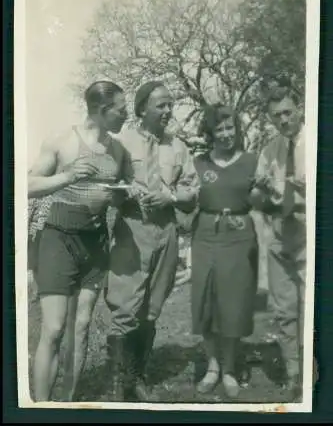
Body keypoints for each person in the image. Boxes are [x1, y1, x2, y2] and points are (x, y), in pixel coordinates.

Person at [28, 80, 128, 402]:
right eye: (121, 110)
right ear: (102, 110)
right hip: (58, 238)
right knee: (55, 328)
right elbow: (26, 184)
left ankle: (67, 403)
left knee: (81, 327)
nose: (126, 116)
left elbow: (122, 195)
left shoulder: (118, 150)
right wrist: (67, 176)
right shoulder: (62, 141)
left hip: (95, 242)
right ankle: (40, 407)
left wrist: (127, 195)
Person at [104, 80, 200, 401]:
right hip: (133, 229)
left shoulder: (179, 147)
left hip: (167, 232)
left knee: (151, 309)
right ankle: (119, 386)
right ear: (142, 107)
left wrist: (169, 196)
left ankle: (137, 379)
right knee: (125, 307)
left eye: (171, 105)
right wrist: (127, 191)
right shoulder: (121, 142)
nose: (168, 111)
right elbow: (107, 185)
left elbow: (192, 190)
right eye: (161, 105)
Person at [190, 104, 259, 399]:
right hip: (205, 235)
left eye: (230, 127)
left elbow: (260, 199)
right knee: (206, 301)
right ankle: (213, 367)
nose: (226, 134)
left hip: (239, 236)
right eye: (219, 129)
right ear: (209, 133)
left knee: (232, 303)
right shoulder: (198, 163)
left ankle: (230, 369)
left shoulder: (253, 161)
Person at [250, 79, 306, 402]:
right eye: (276, 116)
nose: (283, 120)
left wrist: (300, 192)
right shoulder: (270, 149)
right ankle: (293, 376)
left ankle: (318, 370)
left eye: (287, 112)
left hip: (310, 236)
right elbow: (256, 196)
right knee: (285, 311)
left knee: (313, 308)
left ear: (298, 107)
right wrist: (262, 190)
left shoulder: (316, 141)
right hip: (280, 238)